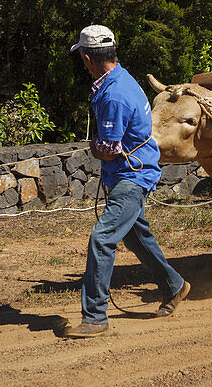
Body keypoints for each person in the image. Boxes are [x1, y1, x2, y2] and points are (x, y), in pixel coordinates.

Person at [64, 24, 190, 338]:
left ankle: (95, 317)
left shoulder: (114, 95)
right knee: (135, 237)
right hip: (135, 171)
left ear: (89, 58)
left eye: (82, 55)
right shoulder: (122, 79)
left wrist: (94, 148)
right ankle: (174, 285)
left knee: (102, 238)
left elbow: (109, 149)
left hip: (131, 177)